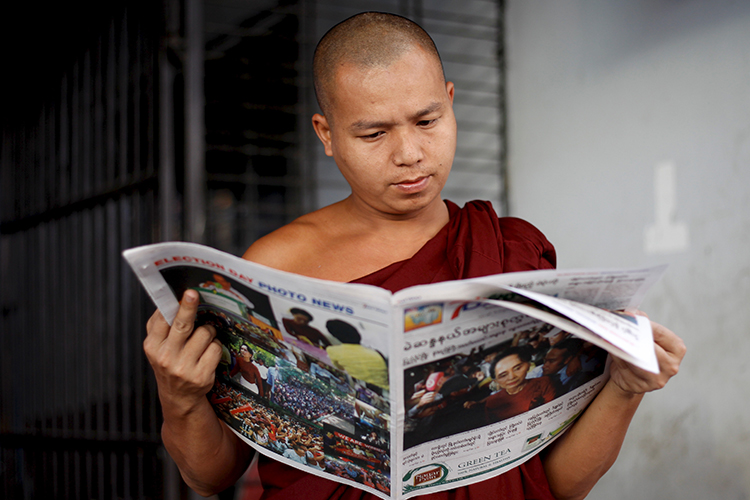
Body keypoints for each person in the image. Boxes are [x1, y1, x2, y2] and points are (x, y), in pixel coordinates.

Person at [143, 11, 686, 500]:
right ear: (326, 135)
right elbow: (209, 476)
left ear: (451, 102)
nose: (410, 155)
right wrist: (181, 395)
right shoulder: (276, 264)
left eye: (427, 121)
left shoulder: (511, 249)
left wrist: (623, 387)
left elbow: (558, 484)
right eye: (373, 133)